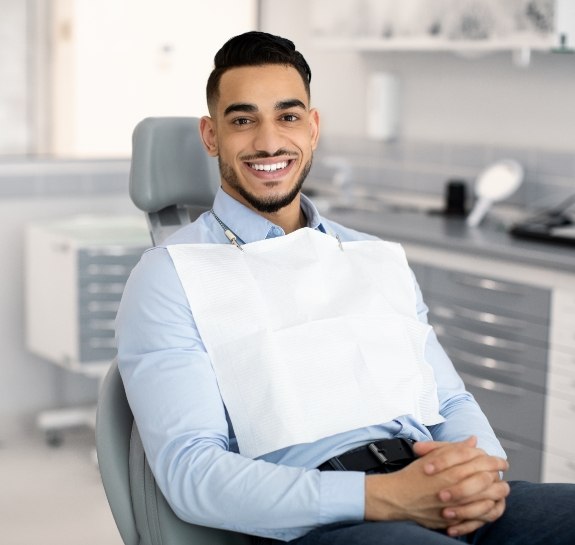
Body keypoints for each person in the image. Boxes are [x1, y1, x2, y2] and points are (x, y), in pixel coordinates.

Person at [115, 31, 575, 545]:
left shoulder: (374, 256)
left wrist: (481, 475)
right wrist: (382, 498)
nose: (268, 142)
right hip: (328, 519)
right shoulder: (171, 275)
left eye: (288, 117)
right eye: (243, 120)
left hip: (436, 492)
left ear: (313, 129)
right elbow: (191, 472)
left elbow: (447, 403)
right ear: (211, 136)